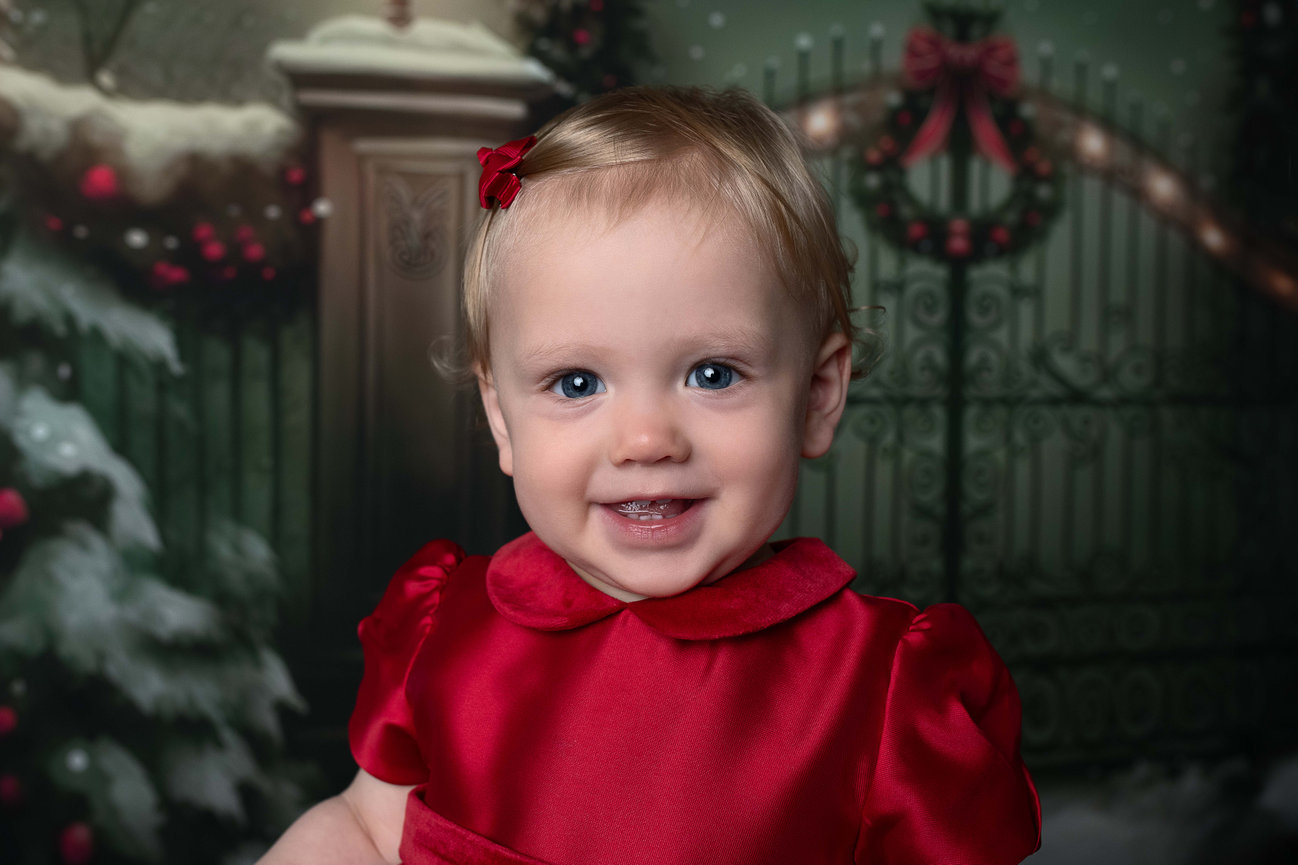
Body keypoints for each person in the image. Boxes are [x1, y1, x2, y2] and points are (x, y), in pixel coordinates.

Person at [259, 86, 1041, 865]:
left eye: (711, 373)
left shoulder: (878, 690)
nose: (644, 440)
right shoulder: (448, 634)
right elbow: (363, 829)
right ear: (502, 416)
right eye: (576, 383)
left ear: (816, 394)